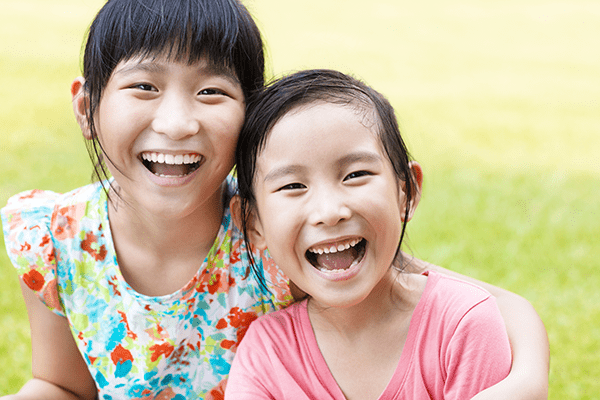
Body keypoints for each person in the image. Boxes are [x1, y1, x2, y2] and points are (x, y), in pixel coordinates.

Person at [1, 1, 548, 400]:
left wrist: (527, 375)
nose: (177, 121)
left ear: (252, 119)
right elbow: (60, 383)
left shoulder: (279, 228)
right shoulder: (55, 236)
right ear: (87, 106)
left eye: (212, 90)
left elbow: (442, 295)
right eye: (144, 86)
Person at [225, 69, 535, 399]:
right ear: (253, 223)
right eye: (293, 186)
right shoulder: (266, 353)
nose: (330, 211)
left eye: (355, 174)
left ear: (407, 192)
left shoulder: (461, 325)